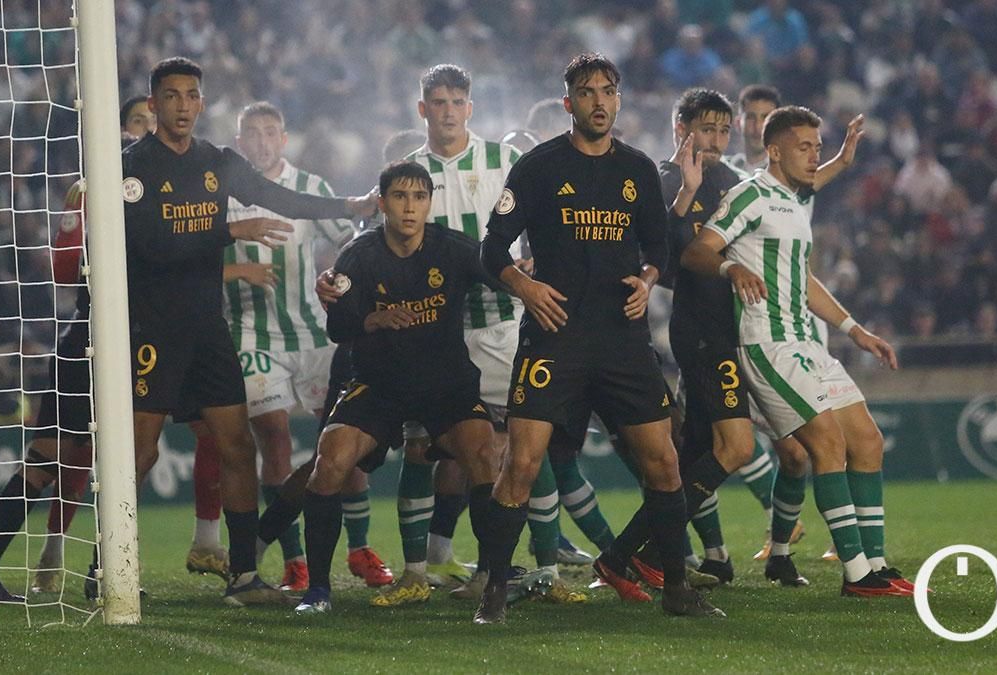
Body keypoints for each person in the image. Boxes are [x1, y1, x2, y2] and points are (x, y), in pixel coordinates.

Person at [476, 53, 722, 624]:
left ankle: (677, 589)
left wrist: (649, 280)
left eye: (608, 91)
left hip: (621, 341)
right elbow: (492, 248)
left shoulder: (635, 170)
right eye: (586, 92)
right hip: (553, 337)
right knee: (520, 466)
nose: (599, 101)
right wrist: (525, 287)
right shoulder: (538, 168)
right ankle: (492, 592)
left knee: (664, 462)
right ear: (569, 103)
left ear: (619, 99)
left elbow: (658, 247)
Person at [119, 56, 374, 607]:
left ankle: (242, 576)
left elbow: (280, 198)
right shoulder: (134, 167)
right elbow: (151, 246)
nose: (183, 106)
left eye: (191, 96)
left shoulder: (216, 161)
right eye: (171, 96)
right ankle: (107, 566)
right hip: (154, 330)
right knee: (139, 455)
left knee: (237, 445)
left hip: (210, 330)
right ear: (154, 103)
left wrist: (346, 204)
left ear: (202, 103)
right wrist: (233, 228)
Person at [680, 105, 913, 597]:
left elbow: (801, 281)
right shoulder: (750, 195)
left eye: (818, 148)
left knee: (867, 441)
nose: (814, 156)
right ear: (775, 150)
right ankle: (857, 577)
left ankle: (877, 563)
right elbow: (697, 250)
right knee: (826, 444)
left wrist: (855, 330)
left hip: (806, 342)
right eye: (804, 147)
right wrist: (731, 269)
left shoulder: (791, 203)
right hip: (768, 343)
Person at [379, 64, 587, 608]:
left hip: (499, 326)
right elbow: (381, 242)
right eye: (437, 103)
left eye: (457, 103)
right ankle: (415, 571)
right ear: (421, 110)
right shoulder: (408, 172)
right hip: (435, 334)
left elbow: (546, 225)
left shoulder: (505, 162)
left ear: (469, 109)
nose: (447, 112)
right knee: (422, 448)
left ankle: (544, 571)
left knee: (525, 445)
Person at [183, 101, 391, 592]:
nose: (260, 140)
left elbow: (351, 244)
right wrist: (237, 271)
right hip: (252, 334)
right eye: (251, 133)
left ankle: (359, 549)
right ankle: (295, 559)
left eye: (269, 132)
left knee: (349, 438)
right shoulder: (220, 193)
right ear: (239, 141)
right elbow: (188, 257)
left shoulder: (311, 189)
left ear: (283, 139)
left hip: (316, 334)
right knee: (274, 437)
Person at [0, 98, 155, 602]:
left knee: (130, 452)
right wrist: (81, 217)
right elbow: (62, 272)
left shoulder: (172, 196)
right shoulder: (91, 194)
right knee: (62, 456)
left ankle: (98, 569)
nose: (142, 137)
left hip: (138, 340)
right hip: (90, 340)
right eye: (136, 128)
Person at [292, 161, 503, 615]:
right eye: (401, 197)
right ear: (383, 202)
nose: (410, 207)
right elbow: (338, 327)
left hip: (445, 383)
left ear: (429, 204)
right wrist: (373, 318)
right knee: (328, 463)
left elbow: (497, 271)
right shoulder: (358, 255)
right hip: (379, 383)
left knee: (485, 453)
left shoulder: (453, 248)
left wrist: (524, 276)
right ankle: (319, 591)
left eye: (419, 197)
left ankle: (492, 579)